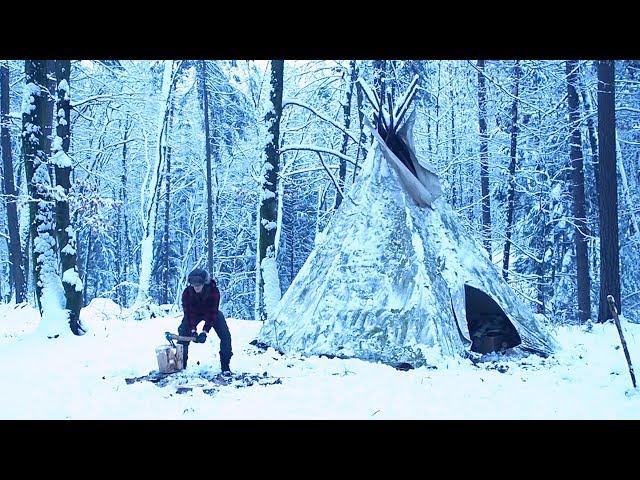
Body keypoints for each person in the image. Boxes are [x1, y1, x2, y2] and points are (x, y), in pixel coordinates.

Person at [178, 268, 233, 375]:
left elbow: (212, 313)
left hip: (211, 313)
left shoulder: (213, 291)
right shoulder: (187, 293)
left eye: (199, 283)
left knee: (225, 336)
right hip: (194, 313)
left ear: (204, 282)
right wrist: (193, 331)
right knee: (183, 331)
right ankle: (181, 366)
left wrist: (204, 332)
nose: (196, 286)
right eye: (193, 284)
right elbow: (188, 313)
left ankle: (225, 366)